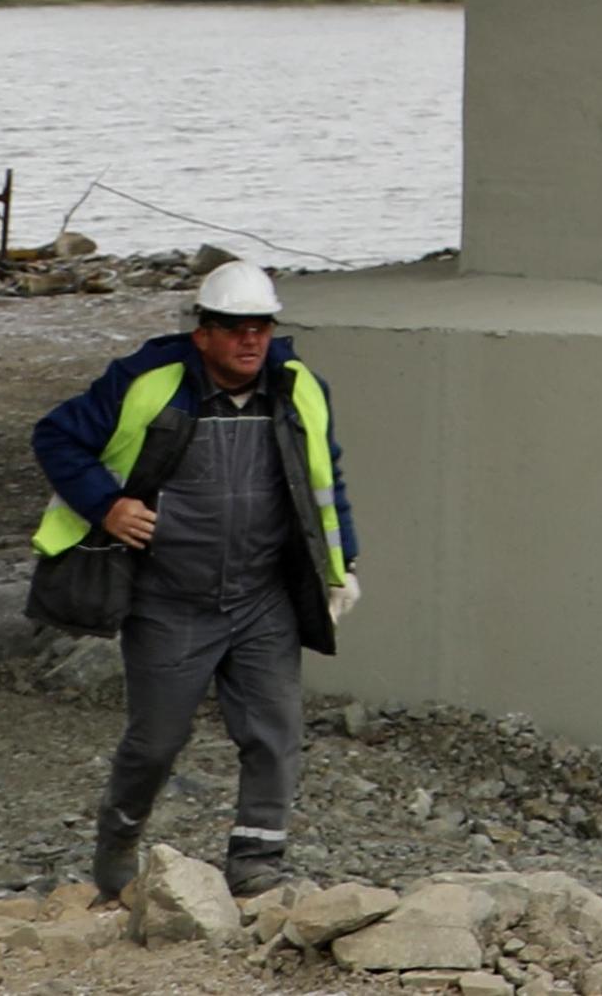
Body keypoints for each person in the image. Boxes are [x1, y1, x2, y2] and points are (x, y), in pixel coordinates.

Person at [28, 260, 361, 900]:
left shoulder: (298, 389)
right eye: (234, 328)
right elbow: (57, 437)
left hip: (263, 597)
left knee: (275, 732)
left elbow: (326, 482)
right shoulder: (148, 382)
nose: (249, 341)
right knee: (155, 742)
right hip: (169, 599)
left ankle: (256, 864)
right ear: (202, 333)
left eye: (260, 327)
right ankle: (118, 841)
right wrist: (107, 504)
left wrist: (343, 568)